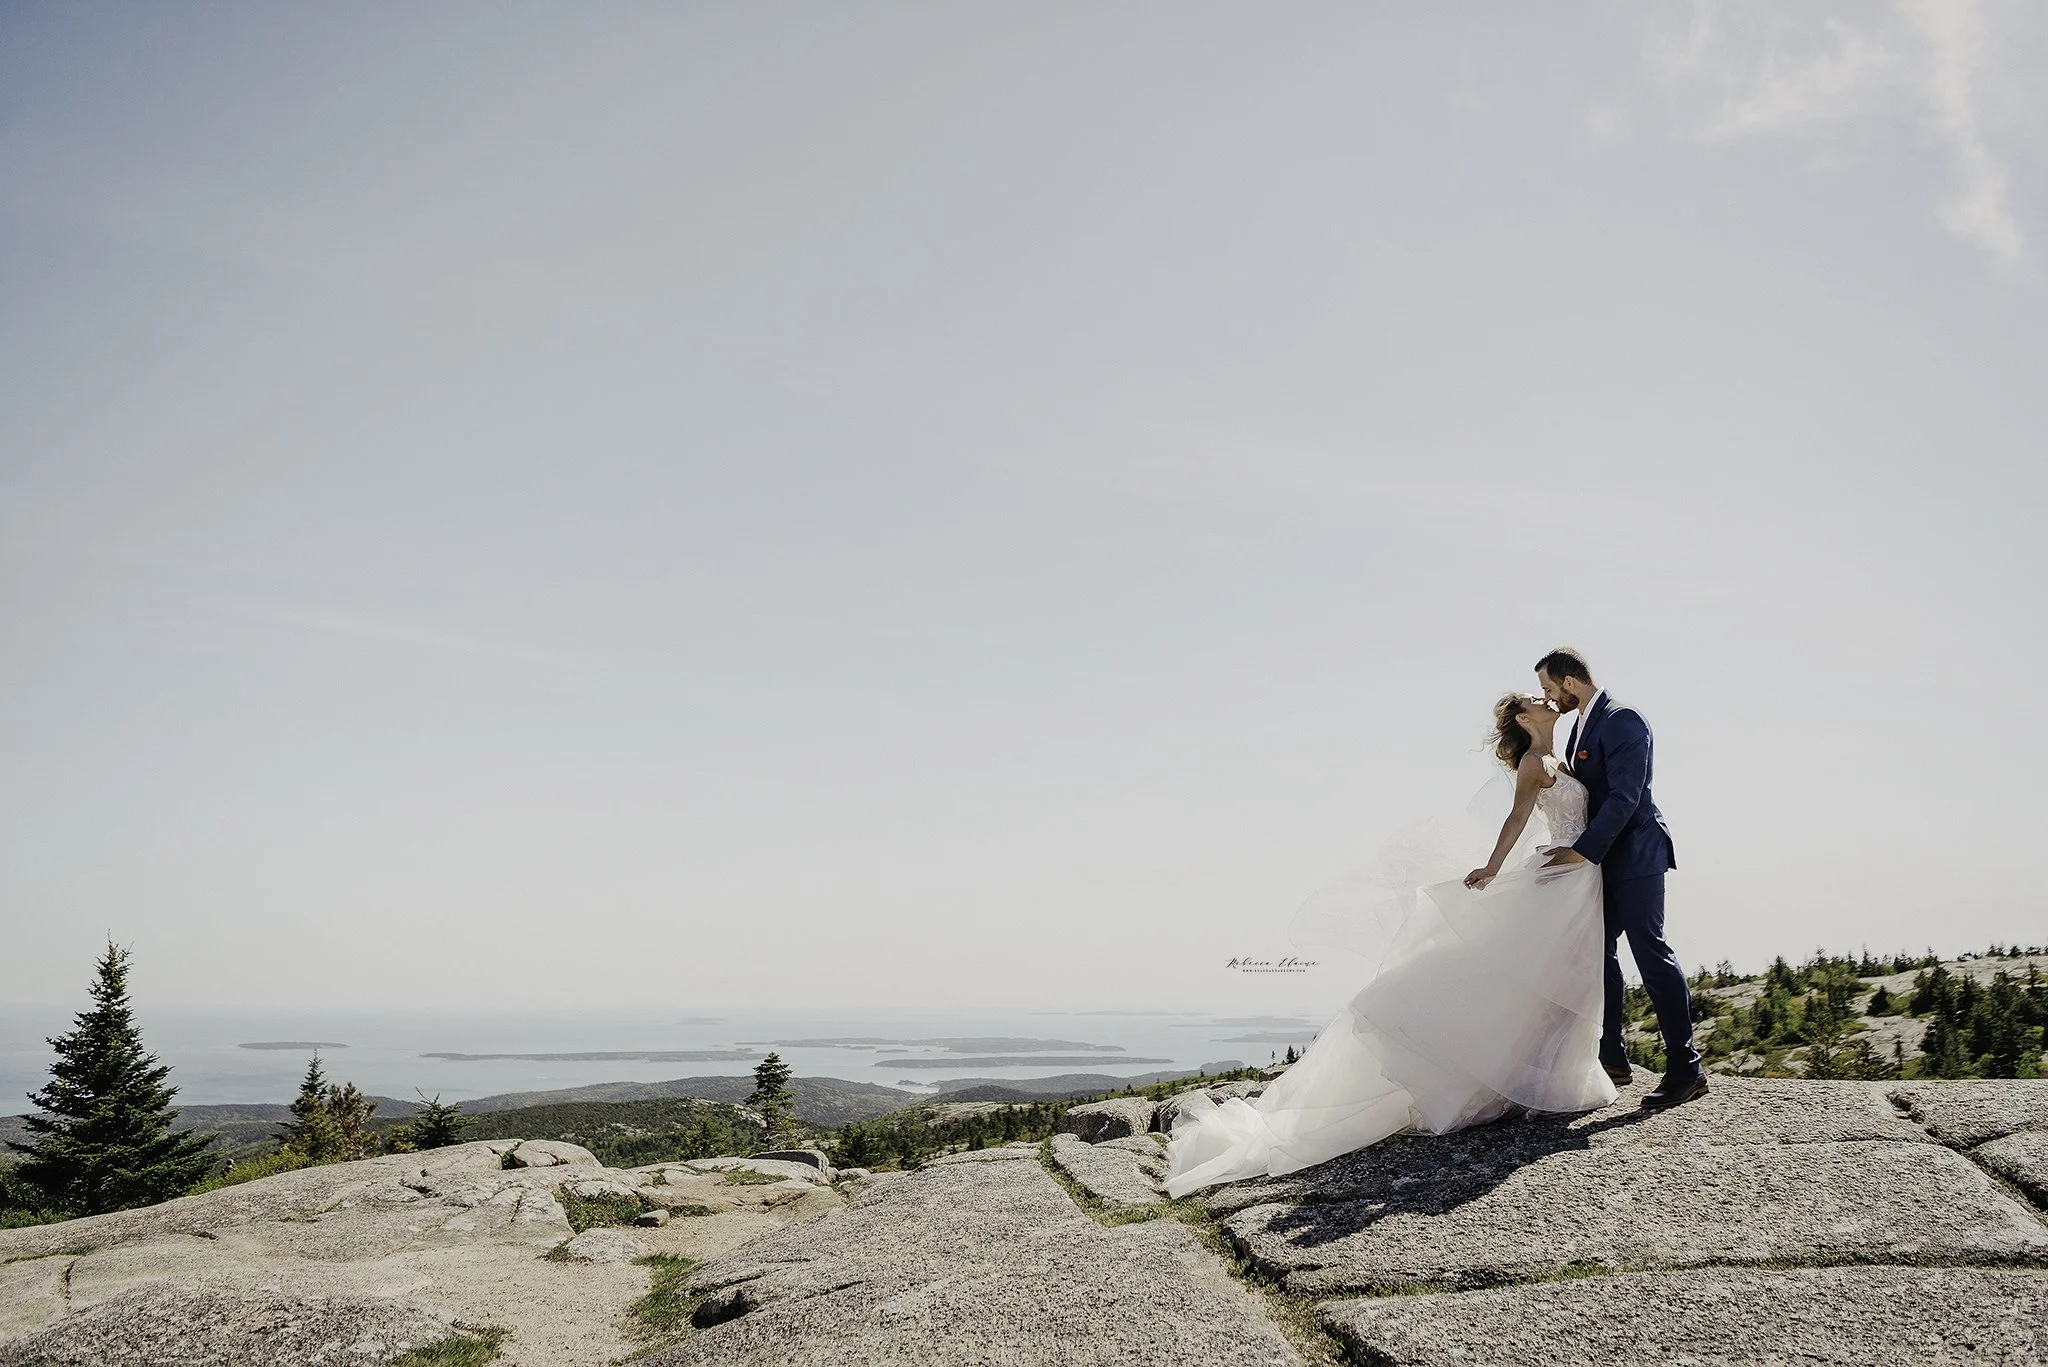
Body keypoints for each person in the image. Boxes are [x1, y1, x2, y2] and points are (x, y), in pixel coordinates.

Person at [1163, 691, 1617, 1198]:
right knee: (1535, 977)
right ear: (1524, 717)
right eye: (1535, 697)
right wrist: (1492, 868)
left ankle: (1548, 1075)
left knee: (1561, 979)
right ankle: (1524, 1081)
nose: (1546, 697)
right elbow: (1516, 818)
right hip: (1560, 879)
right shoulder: (1535, 762)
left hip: (1578, 878)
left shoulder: (1564, 752)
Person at [1532, 647, 1704, 1109]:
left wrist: (1579, 852)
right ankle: (1611, 1056)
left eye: (1551, 689)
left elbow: (1627, 797)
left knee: (1650, 951)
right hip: (1602, 861)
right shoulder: (1582, 726)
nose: (1549, 698)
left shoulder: (1624, 719)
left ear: (1570, 681)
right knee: (1596, 952)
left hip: (1637, 855)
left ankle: (1686, 1069)